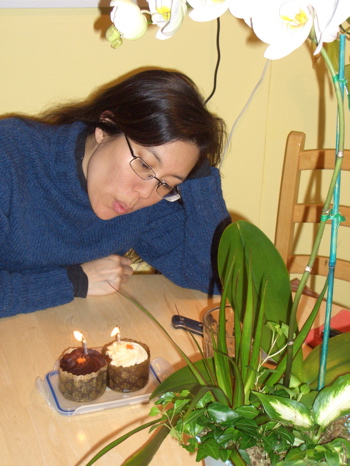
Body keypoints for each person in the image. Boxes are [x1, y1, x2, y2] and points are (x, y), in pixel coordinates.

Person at [0, 69, 231, 318]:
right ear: (105, 128)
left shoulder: (152, 198)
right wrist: (73, 282)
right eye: (144, 164)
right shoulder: (10, 157)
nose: (143, 194)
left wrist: (199, 178)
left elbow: (217, 280)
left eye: (167, 183)